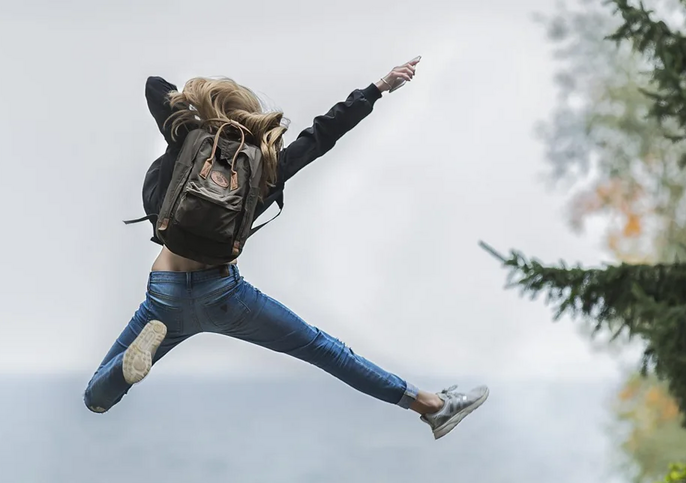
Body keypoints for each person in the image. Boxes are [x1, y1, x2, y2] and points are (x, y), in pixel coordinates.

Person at [83, 58, 489, 440]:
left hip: (165, 295)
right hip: (224, 295)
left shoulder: (187, 138)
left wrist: (201, 112)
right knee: (325, 350)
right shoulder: (265, 165)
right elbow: (322, 135)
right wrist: (378, 88)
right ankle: (431, 406)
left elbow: (156, 87)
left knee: (95, 398)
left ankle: (124, 369)